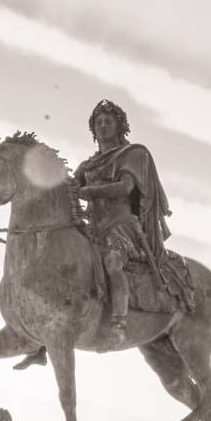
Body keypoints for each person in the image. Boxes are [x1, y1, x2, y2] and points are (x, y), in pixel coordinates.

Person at [68, 99, 182, 341]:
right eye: (98, 122)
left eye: (108, 121)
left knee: (112, 260)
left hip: (121, 226)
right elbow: (69, 187)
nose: (103, 126)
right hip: (93, 226)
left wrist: (91, 192)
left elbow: (126, 187)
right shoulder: (87, 165)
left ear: (120, 126)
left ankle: (119, 323)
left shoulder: (133, 154)